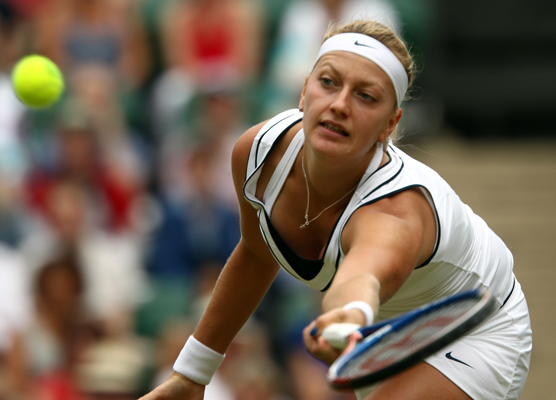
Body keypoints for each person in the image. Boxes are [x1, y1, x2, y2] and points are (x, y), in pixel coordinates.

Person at [140, 19, 532, 400]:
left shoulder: (395, 212)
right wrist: (192, 373)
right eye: (328, 82)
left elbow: (359, 277)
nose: (340, 104)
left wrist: (349, 315)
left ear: (389, 125)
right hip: (382, 332)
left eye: (366, 96)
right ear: (303, 92)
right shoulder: (257, 154)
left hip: (478, 328)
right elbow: (257, 254)